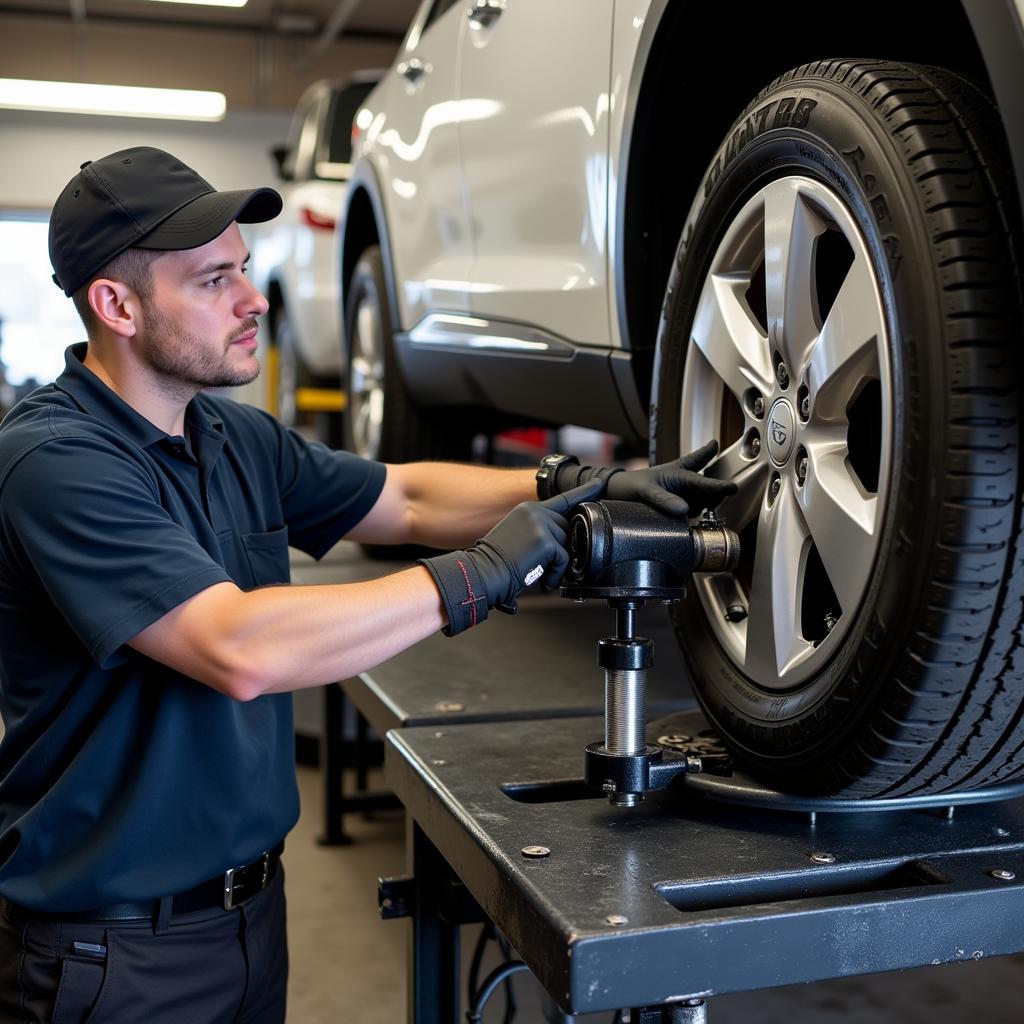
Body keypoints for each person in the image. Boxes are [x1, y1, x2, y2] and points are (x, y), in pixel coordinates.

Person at [0, 147, 734, 1023]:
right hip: (111, 956)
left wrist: (573, 484)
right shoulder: (57, 462)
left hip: (249, 920)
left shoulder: (231, 437)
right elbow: (238, 647)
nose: (254, 300)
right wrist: (484, 574)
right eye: (211, 282)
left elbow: (408, 498)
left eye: (243, 268)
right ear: (115, 306)